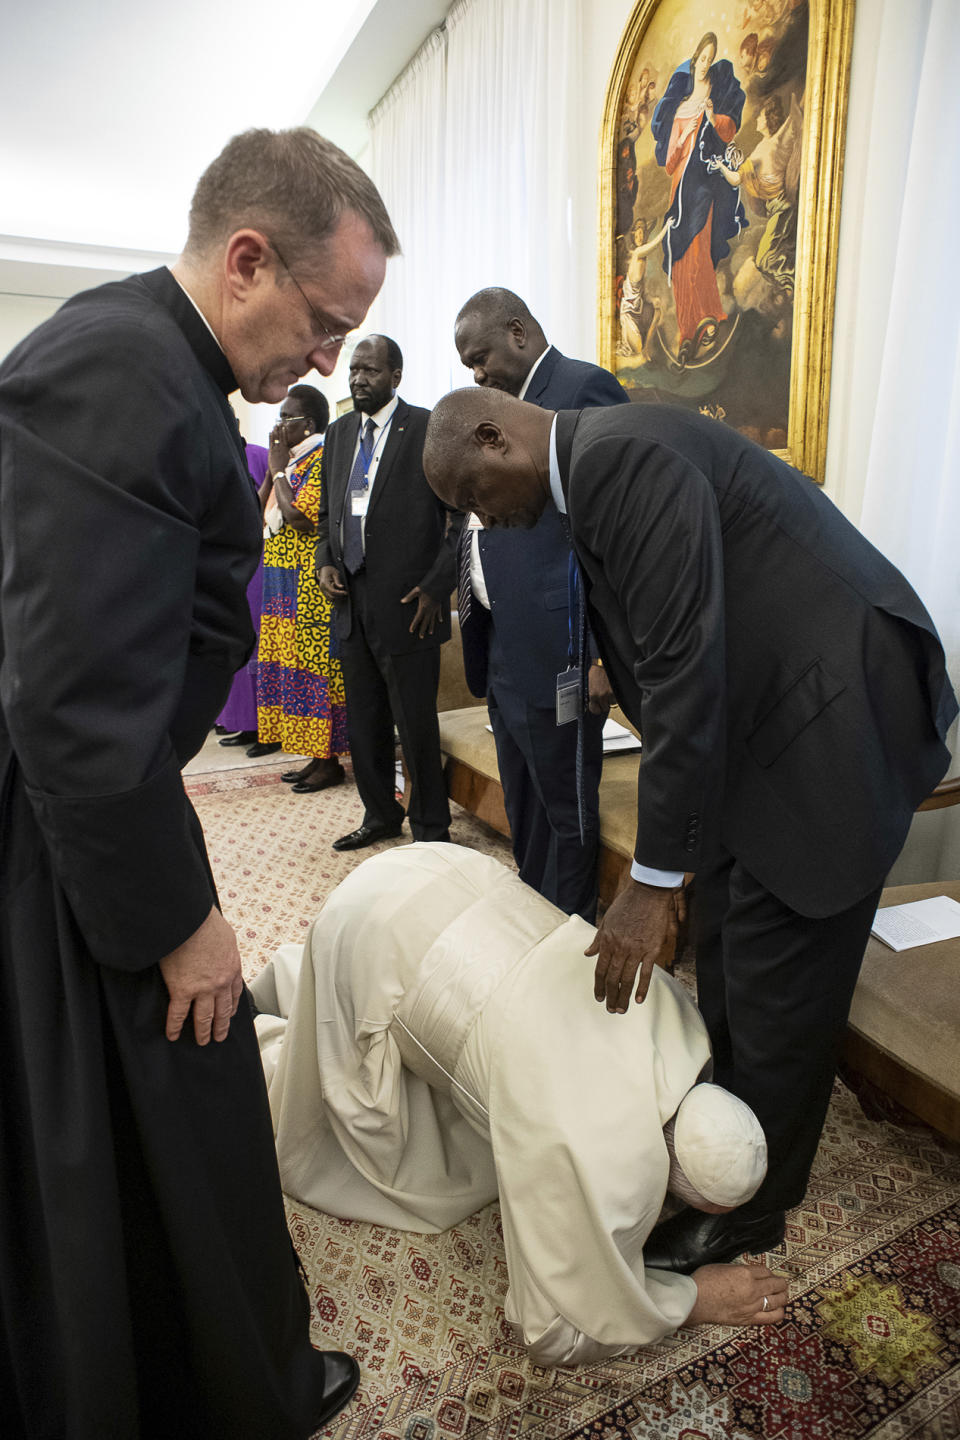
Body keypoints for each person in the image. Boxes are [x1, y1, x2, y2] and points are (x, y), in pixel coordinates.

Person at [0, 126, 399, 1439]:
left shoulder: (143, 361)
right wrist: (181, 922)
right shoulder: (121, 377)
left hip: (84, 804)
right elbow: (72, 706)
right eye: (327, 324)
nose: (330, 364)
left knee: (138, 1125)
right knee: (179, 1082)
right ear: (246, 262)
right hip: (66, 826)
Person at [421, 389, 958, 1277]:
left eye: (477, 498)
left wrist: (652, 882)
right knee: (733, 952)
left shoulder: (620, 458)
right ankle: (723, 1133)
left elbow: (683, 676)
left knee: (781, 967)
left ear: (494, 435)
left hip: (833, 716)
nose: (490, 521)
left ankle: (752, 1204)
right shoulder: (598, 461)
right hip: (772, 716)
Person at [250, 843, 787, 1365]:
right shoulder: (595, 1154)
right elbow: (556, 1332)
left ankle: (298, 986)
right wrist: (693, 1301)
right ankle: (253, 1038)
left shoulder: (679, 1015)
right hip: (371, 936)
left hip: (443, 873)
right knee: (364, 1127)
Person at [453, 288, 629, 920]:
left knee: (565, 801)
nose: (475, 373)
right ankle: (533, 913)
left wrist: (601, 655)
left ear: (519, 332)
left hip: (561, 646)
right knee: (521, 794)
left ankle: (568, 930)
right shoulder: (492, 409)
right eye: (467, 364)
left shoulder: (585, 391)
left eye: (480, 357)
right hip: (502, 641)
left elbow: (608, 544)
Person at [316, 335, 458, 851]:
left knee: (414, 724)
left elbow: (459, 515)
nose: (358, 379)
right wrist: (325, 561)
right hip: (350, 603)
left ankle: (431, 828)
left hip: (409, 605)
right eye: (354, 370)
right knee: (364, 720)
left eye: (370, 371)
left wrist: (438, 586)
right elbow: (327, 516)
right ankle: (380, 815)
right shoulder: (338, 433)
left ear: (395, 375)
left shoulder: (425, 428)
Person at [257, 384, 348, 793]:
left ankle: (329, 761)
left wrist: (278, 468)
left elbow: (301, 517)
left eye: (285, 418)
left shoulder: (323, 455)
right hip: (282, 585)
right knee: (293, 670)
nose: (278, 427)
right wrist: (273, 470)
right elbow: (259, 507)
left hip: (309, 586)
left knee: (315, 674)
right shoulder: (294, 460)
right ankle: (315, 757)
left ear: (307, 424)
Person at [651, 32, 747, 363]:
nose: (705, 64)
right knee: (678, 252)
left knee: (697, 247)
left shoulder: (714, 99)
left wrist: (709, 119)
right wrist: (683, 136)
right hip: (680, 185)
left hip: (703, 184)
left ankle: (707, 316)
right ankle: (685, 330)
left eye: (710, 58)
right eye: (701, 58)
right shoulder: (680, 105)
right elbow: (669, 162)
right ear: (695, 61)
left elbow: (727, 131)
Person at [215, 440, 270, 742]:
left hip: (257, 558)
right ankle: (243, 722)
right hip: (226, 559)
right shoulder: (215, 451)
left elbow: (262, 506)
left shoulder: (260, 456)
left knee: (258, 642)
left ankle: (263, 726)